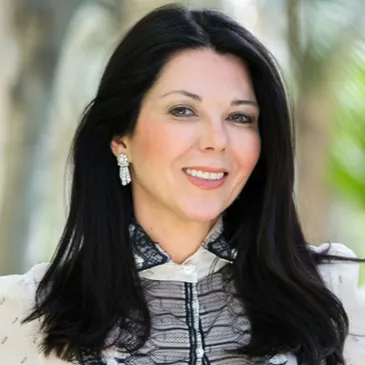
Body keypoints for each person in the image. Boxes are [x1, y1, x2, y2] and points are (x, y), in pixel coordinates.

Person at [1, 4, 364, 365]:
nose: (216, 140)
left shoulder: (329, 296)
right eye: (183, 110)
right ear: (121, 136)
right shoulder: (27, 314)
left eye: (240, 117)